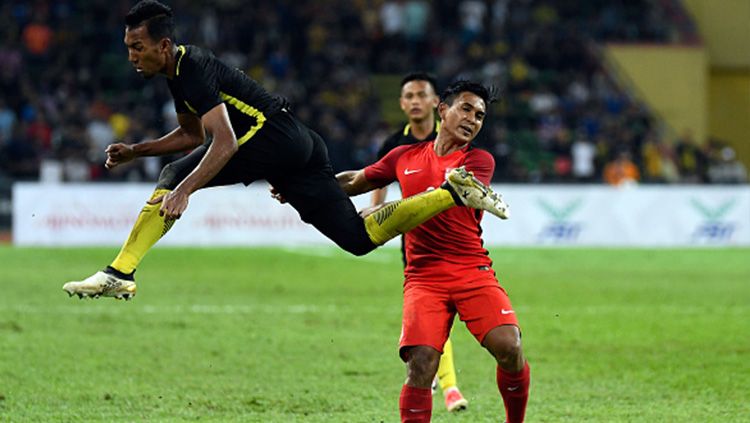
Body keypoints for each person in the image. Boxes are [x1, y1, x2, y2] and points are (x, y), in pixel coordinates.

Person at [61, 0, 509, 300]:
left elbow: (225, 141)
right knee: (357, 239)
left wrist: (186, 190)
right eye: (127, 48)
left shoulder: (190, 68)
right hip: (297, 142)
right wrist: (136, 151)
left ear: (161, 44)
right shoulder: (179, 71)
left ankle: (120, 273)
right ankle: (452, 192)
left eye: (136, 47)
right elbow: (193, 136)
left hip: (272, 136)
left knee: (174, 178)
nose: (131, 56)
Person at [336, 80, 530, 423]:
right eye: (466, 109)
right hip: (424, 277)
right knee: (421, 364)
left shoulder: (479, 161)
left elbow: (443, 197)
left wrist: (381, 213)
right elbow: (354, 181)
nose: (473, 119)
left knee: (510, 347)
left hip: (471, 270)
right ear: (443, 110)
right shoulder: (404, 156)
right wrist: (304, 186)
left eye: (480, 116)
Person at [372, 72, 468, 413]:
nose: (414, 101)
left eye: (420, 95)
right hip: (417, 244)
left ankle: (441, 383)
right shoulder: (394, 146)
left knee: (449, 313)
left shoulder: (455, 140)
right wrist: (376, 219)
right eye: (408, 96)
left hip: (457, 243)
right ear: (401, 104)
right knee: (434, 316)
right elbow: (377, 186)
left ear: (435, 103)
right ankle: (449, 387)